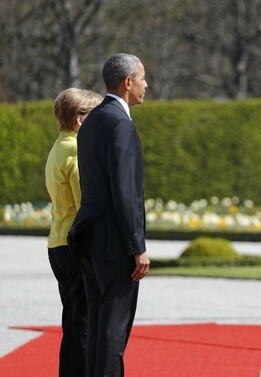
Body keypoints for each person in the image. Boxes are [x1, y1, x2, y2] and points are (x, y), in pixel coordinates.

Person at [68, 53, 150, 376]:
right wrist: (137, 246)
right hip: (114, 243)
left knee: (100, 329)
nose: (147, 85)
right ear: (128, 83)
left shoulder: (92, 122)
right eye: (143, 78)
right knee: (113, 333)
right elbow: (125, 191)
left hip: (89, 239)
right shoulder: (120, 124)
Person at [45, 88, 103, 376]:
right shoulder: (76, 150)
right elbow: (86, 203)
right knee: (82, 323)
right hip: (74, 244)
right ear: (80, 120)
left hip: (57, 242)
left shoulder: (58, 146)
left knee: (72, 320)